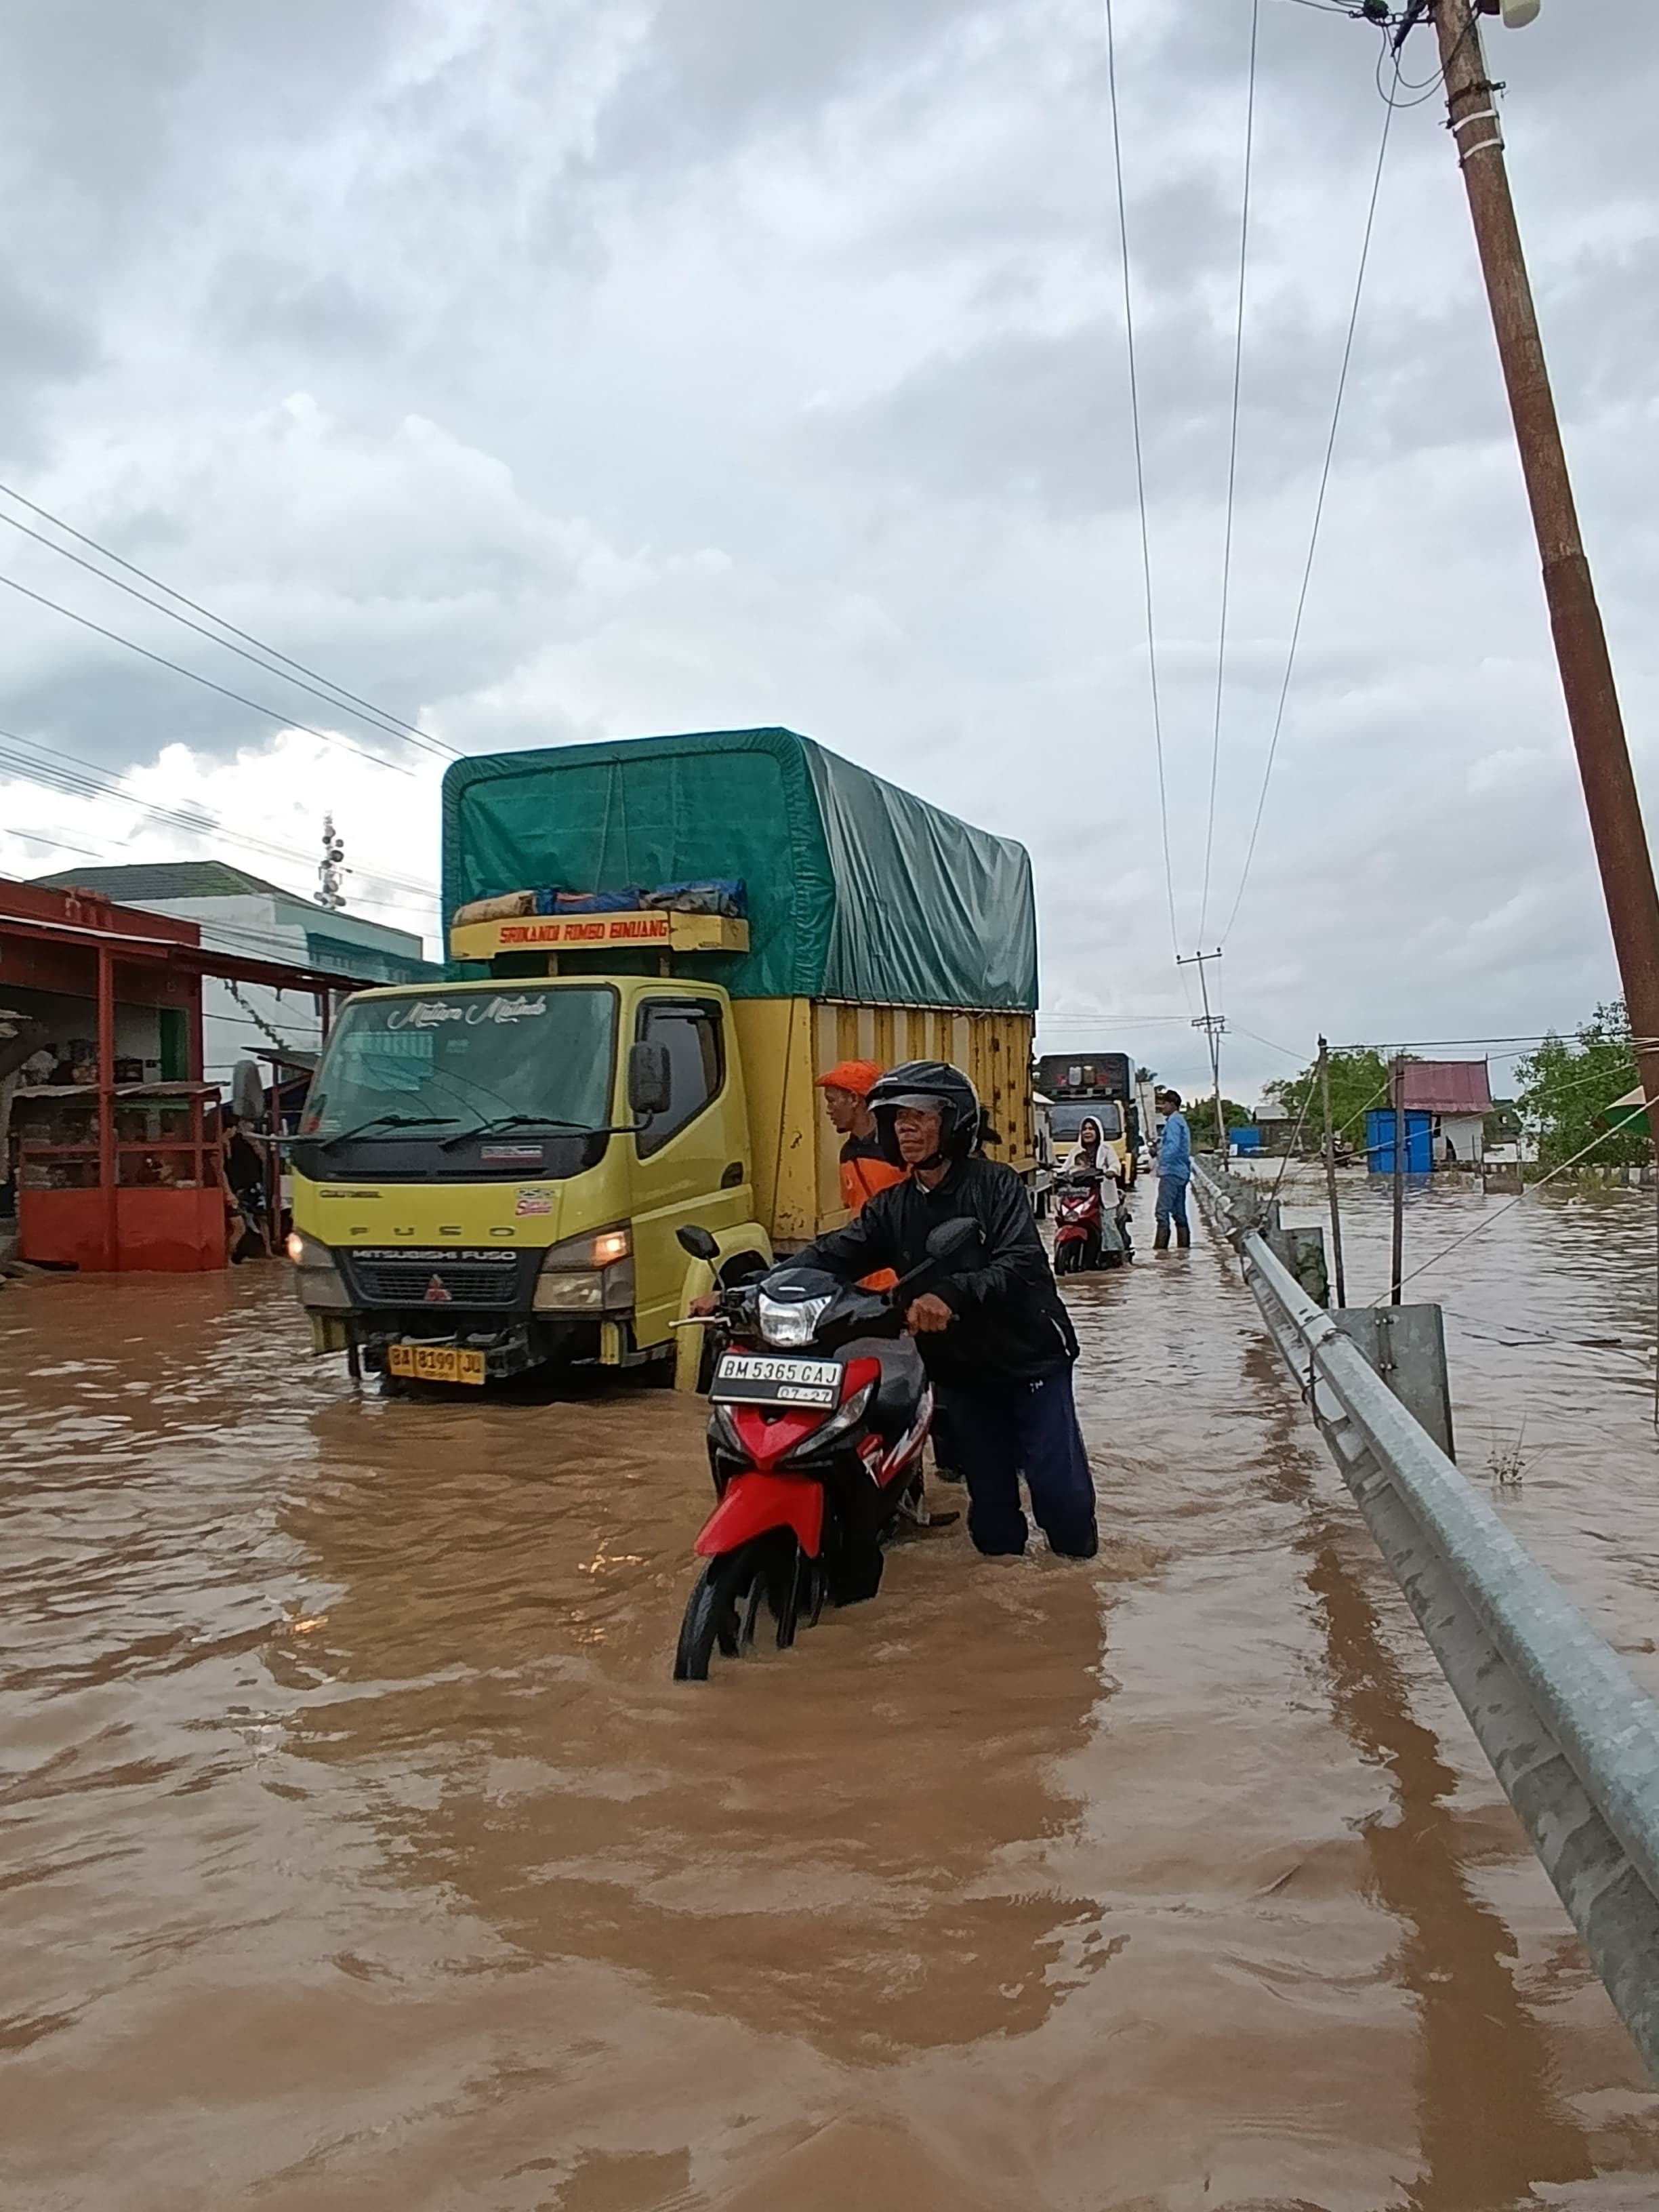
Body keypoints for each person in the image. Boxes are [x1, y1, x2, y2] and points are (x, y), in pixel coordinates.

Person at [796, 1061, 1098, 1563]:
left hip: (1030, 1361)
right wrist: (754, 1285)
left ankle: (1079, 1599)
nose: (905, 1129)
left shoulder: (997, 1185)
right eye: (897, 1119)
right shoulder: (892, 1208)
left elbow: (1021, 1261)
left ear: (954, 1123)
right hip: (961, 1373)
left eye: (920, 1116)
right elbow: (832, 1253)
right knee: (993, 1518)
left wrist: (951, 1294)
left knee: (1061, 1499)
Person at [815, 1059, 906, 1216]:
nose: (828, 1110)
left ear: (854, 1099)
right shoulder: (848, 1153)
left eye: (832, 1101)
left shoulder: (903, 1148)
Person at [218, 1109, 272, 1260]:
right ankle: (229, 1258)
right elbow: (223, 1168)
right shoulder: (223, 1146)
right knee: (241, 1224)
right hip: (239, 1187)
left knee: (256, 1219)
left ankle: (265, 1251)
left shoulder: (246, 1142)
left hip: (247, 1185)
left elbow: (263, 1159)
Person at [1153, 1087, 1191, 1252]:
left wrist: (1161, 1160)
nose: (1162, 1107)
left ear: (1172, 1104)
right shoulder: (1180, 1121)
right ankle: (1184, 1250)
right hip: (1181, 1172)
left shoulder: (1174, 1122)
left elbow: (1173, 1147)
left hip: (1171, 1171)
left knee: (1162, 1212)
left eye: (1164, 1104)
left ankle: (1161, 1250)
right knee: (1179, 1213)